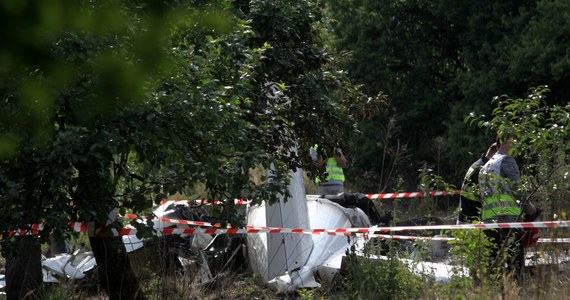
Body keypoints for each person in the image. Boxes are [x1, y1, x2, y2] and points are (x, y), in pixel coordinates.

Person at [478, 133, 536, 280]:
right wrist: (529, 208)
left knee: (493, 261)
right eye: (512, 143)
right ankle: (516, 291)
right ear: (504, 143)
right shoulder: (507, 160)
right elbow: (517, 189)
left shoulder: (486, 166)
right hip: (508, 218)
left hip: (489, 220)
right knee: (515, 260)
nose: (514, 147)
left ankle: (494, 291)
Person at [457, 143, 497, 224]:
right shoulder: (484, 170)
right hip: (472, 222)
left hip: (465, 218)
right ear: (494, 154)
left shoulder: (477, 164)